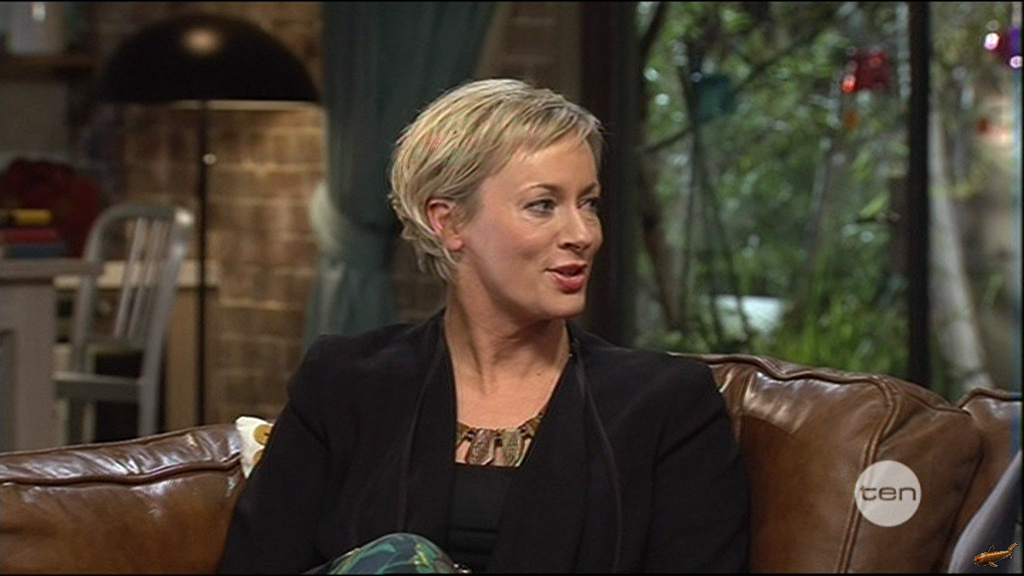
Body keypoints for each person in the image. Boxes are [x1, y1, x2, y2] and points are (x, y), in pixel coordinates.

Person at [218, 78, 749, 574]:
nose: (583, 233)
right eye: (543, 205)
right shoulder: (345, 381)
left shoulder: (666, 404)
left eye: (588, 203)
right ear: (448, 222)